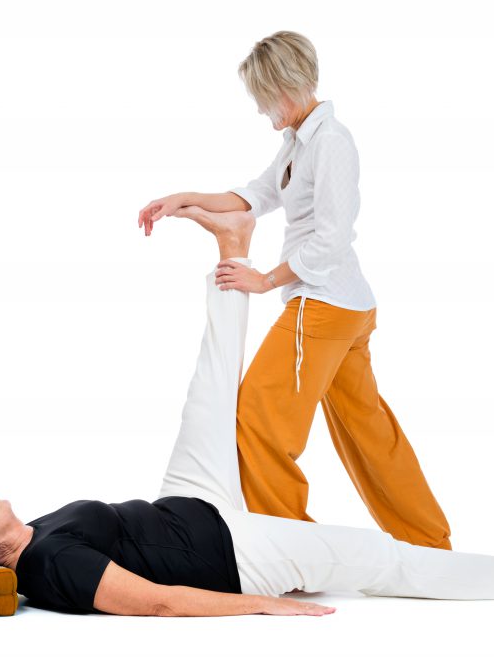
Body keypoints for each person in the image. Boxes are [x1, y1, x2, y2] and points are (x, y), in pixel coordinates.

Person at [0, 217, 494, 617]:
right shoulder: (53, 561)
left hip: (187, 504)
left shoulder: (33, 535)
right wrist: (263, 604)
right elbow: (160, 602)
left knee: (210, 385)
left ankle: (234, 243)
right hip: (232, 554)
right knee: (373, 556)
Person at [137, 30, 452, 549]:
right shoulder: (297, 141)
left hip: (323, 305)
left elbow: (330, 239)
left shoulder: (331, 143)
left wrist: (264, 280)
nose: (263, 112)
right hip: (343, 307)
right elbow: (257, 196)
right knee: (370, 435)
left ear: (287, 86)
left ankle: (296, 548)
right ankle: (431, 547)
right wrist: (183, 199)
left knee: (258, 419)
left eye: (265, 100)